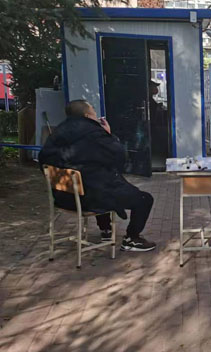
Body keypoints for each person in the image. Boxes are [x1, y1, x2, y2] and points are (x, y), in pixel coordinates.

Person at [39, 100, 156, 251]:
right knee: (143, 199)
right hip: (89, 199)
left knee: (95, 181)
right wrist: (108, 134)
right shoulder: (93, 133)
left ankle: (106, 230)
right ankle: (132, 239)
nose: (96, 114)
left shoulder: (57, 132)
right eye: (93, 110)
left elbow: (44, 159)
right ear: (87, 115)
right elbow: (119, 155)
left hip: (64, 197)